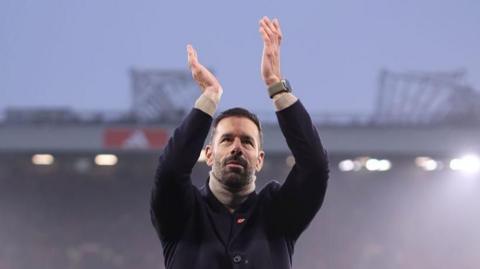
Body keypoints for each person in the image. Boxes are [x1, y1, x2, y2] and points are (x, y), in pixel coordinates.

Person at [150, 16, 329, 269]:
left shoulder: (278, 212)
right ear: (209, 154)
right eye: (226, 139)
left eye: (247, 141)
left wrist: (276, 86)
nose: (236, 147)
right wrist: (209, 98)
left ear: (260, 159)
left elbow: (315, 168)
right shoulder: (182, 212)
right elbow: (169, 171)